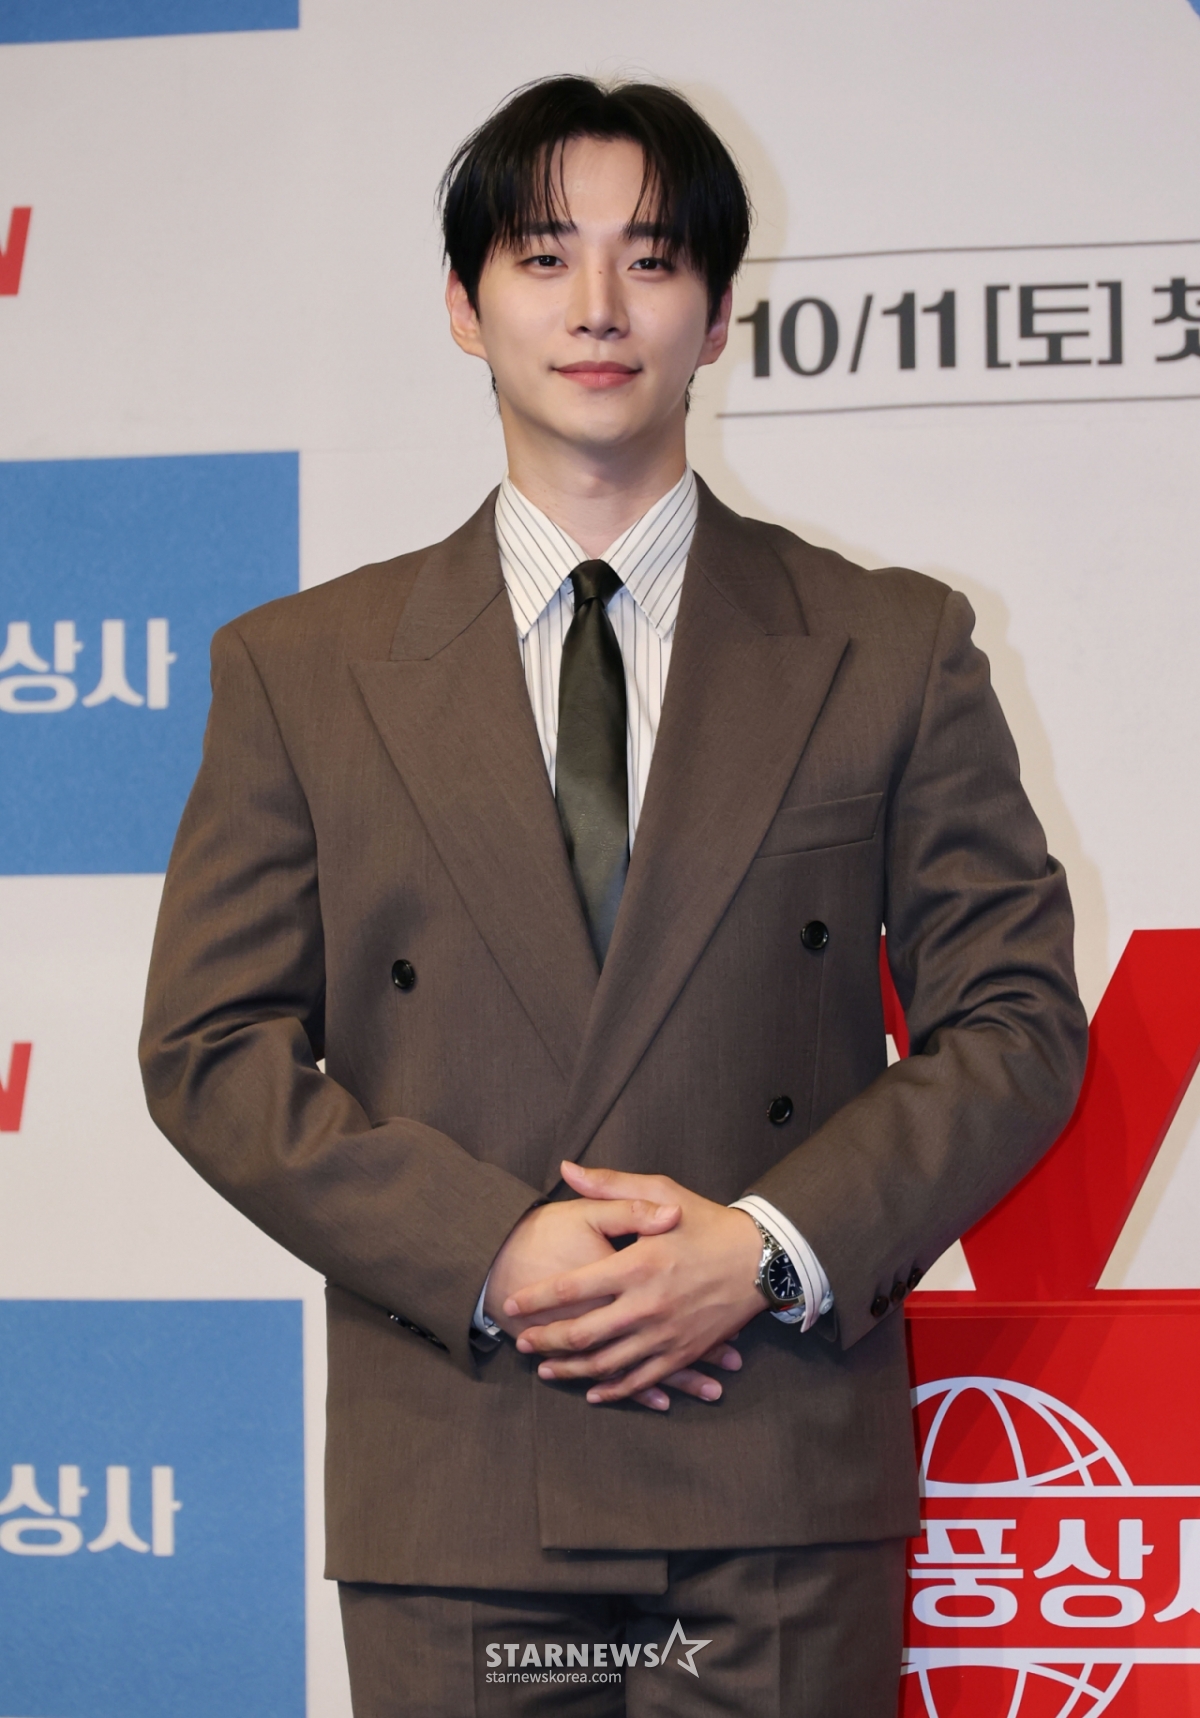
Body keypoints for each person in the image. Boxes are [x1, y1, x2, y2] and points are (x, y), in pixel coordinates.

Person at [140, 75, 1088, 1717]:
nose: (596, 306)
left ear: (716, 315)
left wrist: (766, 1247)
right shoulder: (302, 669)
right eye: (541, 255)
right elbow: (210, 1046)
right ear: (465, 305)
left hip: (775, 1465)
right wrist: (489, 1250)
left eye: (650, 260)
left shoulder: (890, 645)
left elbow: (1014, 1024)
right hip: (460, 1465)